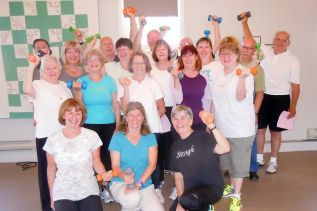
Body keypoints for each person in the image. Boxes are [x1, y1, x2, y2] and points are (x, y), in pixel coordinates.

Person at [241, 15, 301, 174]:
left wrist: (293, 107)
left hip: (281, 99)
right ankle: (259, 157)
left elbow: (295, 86)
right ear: (273, 40)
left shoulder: (293, 60)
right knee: (260, 129)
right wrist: (245, 23)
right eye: (277, 39)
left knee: (275, 132)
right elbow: (249, 39)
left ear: (288, 43)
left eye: (284, 40)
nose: (280, 42)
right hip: (263, 96)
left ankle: (273, 161)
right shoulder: (264, 51)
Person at [44, 98, 113, 211]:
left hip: (88, 189)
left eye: (78, 113)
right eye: (70, 113)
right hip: (63, 192)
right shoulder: (53, 139)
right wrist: (52, 197)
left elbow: (96, 161)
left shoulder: (92, 136)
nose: (74, 117)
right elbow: (51, 169)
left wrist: (104, 174)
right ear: (63, 116)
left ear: (82, 116)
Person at [23, 54, 72, 211]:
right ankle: (48, 206)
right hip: (46, 136)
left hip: (65, 136)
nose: (52, 71)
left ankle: (65, 202)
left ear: (60, 69)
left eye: (55, 68)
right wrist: (31, 66)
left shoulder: (64, 85)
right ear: (42, 71)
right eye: (48, 68)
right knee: (46, 174)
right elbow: (26, 89)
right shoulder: (37, 84)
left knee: (65, 171)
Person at [211, 37, 255, 211]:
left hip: (240, 128)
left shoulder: (245, 73)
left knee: (238, 164)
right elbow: (214, 99)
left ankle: (237, 196)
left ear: (237, 55)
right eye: (223, 54)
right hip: (222, 128)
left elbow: (240, 97)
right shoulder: (218, 73)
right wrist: (211, 122)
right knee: (226, 161)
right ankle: (231, 188)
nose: (226, 57)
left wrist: (243, 79)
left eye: (230, 53)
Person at [118, 51, 166, 202]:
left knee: (154, 161)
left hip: (153, 129)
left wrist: (149, 123)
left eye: (142, 63)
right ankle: (137, 187)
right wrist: (126, 88)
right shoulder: (124, 82)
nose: (139, 66)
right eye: (136, 63)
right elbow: (124, 108)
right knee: (137, 160)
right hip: (132, 131)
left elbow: (162, 108)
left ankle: (156, 189)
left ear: (146, 65)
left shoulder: (153, 83)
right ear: (131, 65)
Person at [169, 105, 230, 211]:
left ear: (191, 121)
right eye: (175, 119)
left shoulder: (202, 137)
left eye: (183, 118)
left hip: (211, 187)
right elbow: (178, 177)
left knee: (188, 201)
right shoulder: (175, 147)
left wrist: (212, 126)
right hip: (190, 191)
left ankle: (207, 207)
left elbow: (225, 148)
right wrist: (180, 200)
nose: (178, 122)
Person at [109, 102, 164, 211]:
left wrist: (138, 184)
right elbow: (115, 166)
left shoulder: (150, 137)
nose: (135, 118)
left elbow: (152, 165)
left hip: (144, 184)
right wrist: (125, 177)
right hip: (121, 182)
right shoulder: (117, 137)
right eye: (131, 115)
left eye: (138, 115)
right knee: (133, 198)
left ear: (143, 118)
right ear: (126, 118)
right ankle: (129, 207)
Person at [75, 48, 120, 179]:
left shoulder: (109, 80)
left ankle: (106, 186)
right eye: (90, 60)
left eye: (97, 59)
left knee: (107, 155)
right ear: (86, 64)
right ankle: (93, 186)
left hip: (109, 124)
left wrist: (118, 125)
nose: (93, 62)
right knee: (91, 156)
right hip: (89, 125)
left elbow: (115, 105)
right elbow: (78, 105)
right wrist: (77, 91)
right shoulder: (82, 81)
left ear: (102, 63)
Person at [238, 13, 265, 180]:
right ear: (240, 47)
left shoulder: (258, 68)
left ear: (254, 51)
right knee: (233, 139)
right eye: (245, 47)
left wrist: (255, 113)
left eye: (250, 48)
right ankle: (231, 166)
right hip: (233, 108)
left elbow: (260, 93)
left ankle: (252, 168)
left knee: (251, 140)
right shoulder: (232, 64)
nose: (247, 51)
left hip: (249, 110)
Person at [171, 45, 211, 130]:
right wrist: (176, 78)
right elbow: (178, 100)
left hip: (200, 121)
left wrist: (208, 122)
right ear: (181, 58)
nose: (187, 58)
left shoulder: (203, 77)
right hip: (181, 123)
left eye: (190, 55)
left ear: (196, 57)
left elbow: (206, 101)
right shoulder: (176, 75)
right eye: (184, 56)